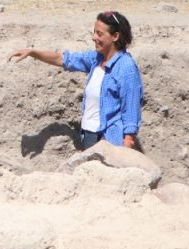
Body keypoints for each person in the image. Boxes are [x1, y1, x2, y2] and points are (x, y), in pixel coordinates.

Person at [8, 10, 143, 149]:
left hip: (110, 140)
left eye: (99, 34)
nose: (94, 37)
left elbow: (131, 108)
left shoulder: (126, 67)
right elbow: (63, 59)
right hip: (89, 136)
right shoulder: (97, 59)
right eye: (94, 32)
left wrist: (127, 144)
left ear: (115, 36)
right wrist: (32, 52)